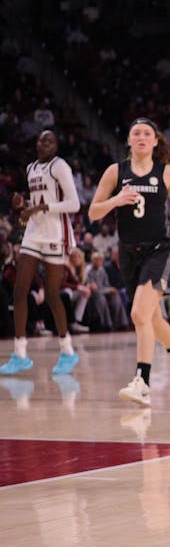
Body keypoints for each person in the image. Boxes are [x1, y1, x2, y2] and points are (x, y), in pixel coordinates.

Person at [88, 118, 170, 406]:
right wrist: (116, 200)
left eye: (146, 133)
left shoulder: (166, 172)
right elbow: (93, 213)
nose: (141, 136)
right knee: (151, 318)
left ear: (154, 142)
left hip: (159, 250)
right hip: (127, 252)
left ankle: (142, 382)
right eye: (135, 132)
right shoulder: (116, 172)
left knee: (139, 314)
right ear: (129, 140)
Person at [1, 130, 82, 376]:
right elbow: (35, 203)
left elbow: (74, 204)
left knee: (53, 296)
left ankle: (67, 350)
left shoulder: (60, 167)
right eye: (40, 140)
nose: (43, 143)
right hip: (34, 233)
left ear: (56, 145)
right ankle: (20, 353)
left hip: (56, 234)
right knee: (20, 290)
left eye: (49, 140)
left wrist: (40, 206)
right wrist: (23, 205)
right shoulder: (31, 168)